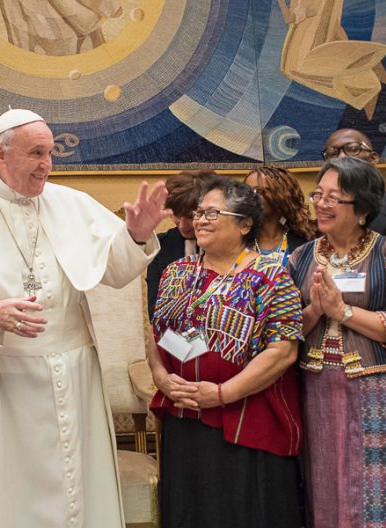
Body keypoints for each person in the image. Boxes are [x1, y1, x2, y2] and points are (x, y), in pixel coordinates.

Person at [0, 108, 169, 527]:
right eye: (36, 153)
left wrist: (135, 235)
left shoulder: (73, 204)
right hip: (3, 382)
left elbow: (115, 272)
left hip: (75, 374)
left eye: (50, 153)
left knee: (78, 490)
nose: (47, 164)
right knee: (10, 497)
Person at [147, 176, 304, 527]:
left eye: (213, 213)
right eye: (199, 212)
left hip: (245, 416)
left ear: (245, 223)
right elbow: (156, 333)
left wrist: (221, 394)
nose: (200, 220)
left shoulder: (271, 275)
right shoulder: (176, 272)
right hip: (184, 413)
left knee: (242, 511)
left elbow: (283, 351)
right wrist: (161, 377)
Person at [289, 156, 386, 527]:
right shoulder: (301, 258)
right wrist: (316, 312)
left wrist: (343, 311)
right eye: (318, 194)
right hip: (317, 386)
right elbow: (286, 328)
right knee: (326, 479)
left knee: (376, 485)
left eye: (335, 197)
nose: (321, 204)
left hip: (377, 385)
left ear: (363, 207)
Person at [146, 170, 215, 317]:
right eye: (176, 215)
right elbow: (155, 309)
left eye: (190, 216)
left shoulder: (224, 244)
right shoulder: (160, 244)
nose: (183, 225)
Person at [244, 165, 316, 265]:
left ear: (282, 195)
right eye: (247, 191)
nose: (252, 196)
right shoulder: (238, 240)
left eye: (259, 191)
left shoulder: (307, 241)